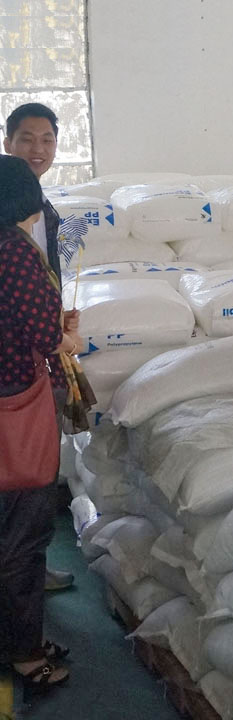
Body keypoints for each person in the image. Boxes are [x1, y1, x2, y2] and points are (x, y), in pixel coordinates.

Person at [0, 155, 83, 695]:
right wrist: (65, 337)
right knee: (23, 538)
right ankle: (26, 654)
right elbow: (41, 333)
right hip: (16, 408)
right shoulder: (13, 251)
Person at [4, 102, 78, 591]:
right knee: (22, 478)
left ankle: (26, 569)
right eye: (28, 138)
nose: (38, 148)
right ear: (8, 142)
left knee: (27, 479)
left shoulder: (44, 209)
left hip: (32, 358)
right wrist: (57, 336)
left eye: (47, 139)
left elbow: (46, 276)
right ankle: (19, 575)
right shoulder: (9, 229)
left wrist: (55, 314)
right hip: (17, 372)